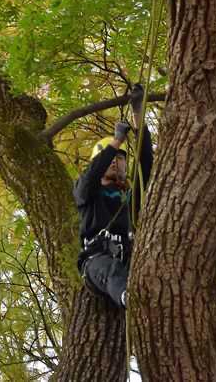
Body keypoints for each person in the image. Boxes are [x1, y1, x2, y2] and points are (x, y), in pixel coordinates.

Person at [73, 84, 153, 308]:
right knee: (110, 269)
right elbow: (91, 176)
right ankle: (130, 298)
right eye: (110, 158)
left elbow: (145, 163)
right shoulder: (86, 192)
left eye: (120, 158)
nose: (115, 161)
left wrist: (138, 112)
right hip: (96, 261)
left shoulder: (128, 197)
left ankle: (135, 296)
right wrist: (116, 141)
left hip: (128, 259)